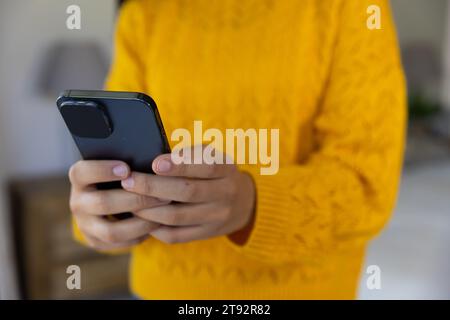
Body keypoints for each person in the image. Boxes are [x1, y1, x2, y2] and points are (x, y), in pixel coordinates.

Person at [68, 0, 406, 299]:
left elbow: (367, 187)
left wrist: (251, 204)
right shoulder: (143, 14)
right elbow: (119, 157)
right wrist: (102, 210)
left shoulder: (350, 6)